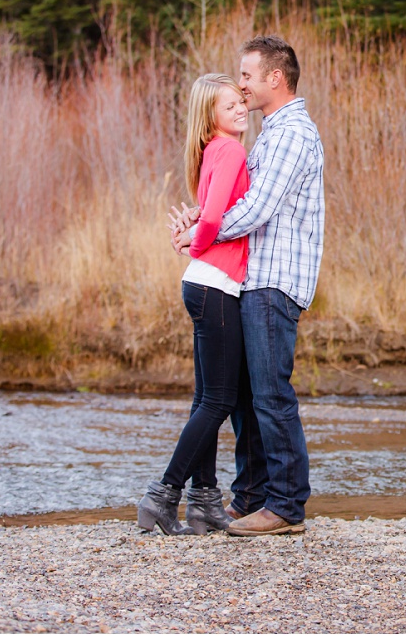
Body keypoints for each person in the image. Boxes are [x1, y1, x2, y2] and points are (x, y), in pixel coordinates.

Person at [172, 34, 324, 537]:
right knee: (243, 398)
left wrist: (201, 232)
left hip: (273, 281)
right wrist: (203, 216)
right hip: (249, 280)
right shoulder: (270, 133)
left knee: (270, 394)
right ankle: (251, 497)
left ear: (274, 78)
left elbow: (257, 210)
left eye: (246, 76)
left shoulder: (290, 134)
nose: (240, 85)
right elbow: (237, 197)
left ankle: (285, 506)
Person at [137, 73, 252, 536]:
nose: (241, 109)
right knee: (220, 400)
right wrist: (195, 241)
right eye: (229, 107)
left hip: (205, 285)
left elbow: (207, 216)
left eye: (240, 101)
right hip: (216, 286)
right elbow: (213, 220)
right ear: (211, 118)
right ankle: (163, 496)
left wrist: (194, 238)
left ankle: (204, 500)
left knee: (207, 399)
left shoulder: (212, 151)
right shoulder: (230, 150)